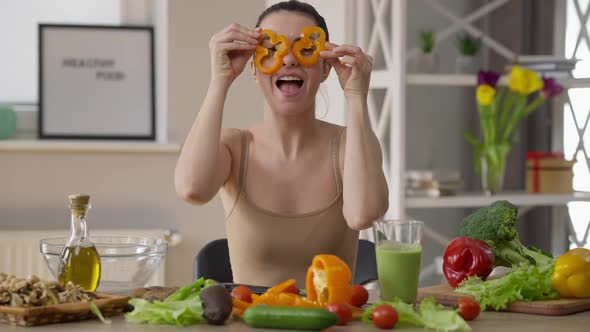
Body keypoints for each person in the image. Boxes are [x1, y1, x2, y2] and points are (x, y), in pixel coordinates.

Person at [174, 0, 389, 287]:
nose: (288, 59)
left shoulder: (352, 144)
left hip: (332, 324)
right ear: (253, 68)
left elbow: (363, 214)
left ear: (325, 68)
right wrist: (220, 81)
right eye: (273, 49)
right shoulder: (233, 146)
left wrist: (357, 98)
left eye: (306, 49)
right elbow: (192, 189)